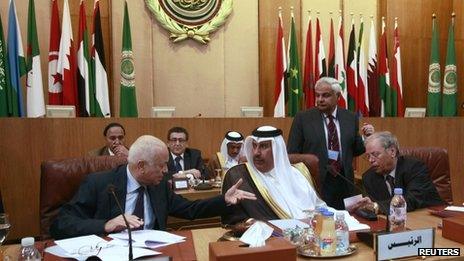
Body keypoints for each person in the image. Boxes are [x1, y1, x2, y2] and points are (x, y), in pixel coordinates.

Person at [50, 135, 256, 239]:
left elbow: (190, 210)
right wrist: (105, 225)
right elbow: (60, 224)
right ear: (141, 166)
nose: (166, 170)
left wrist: (224, 200)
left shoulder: (158, 186)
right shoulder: (100, 184)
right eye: (161, 165)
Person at [287, 77, 374, 210]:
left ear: (337, 96)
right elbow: (292, 153)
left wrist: (367, 138)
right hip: (315, 181)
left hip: (343, 181)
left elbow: (355, 149)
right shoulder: (303, 118)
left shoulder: (350, 117)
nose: (320, 99)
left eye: (325, 95)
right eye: (317, 95)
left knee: (345, 221)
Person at [221, 126, 326, 225]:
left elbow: (319, 208)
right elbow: (234, 219)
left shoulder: (297, 174)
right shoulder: (240, 176)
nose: (256, 153)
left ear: (277, 150)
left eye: (263, 146)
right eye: (254, 146)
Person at [357, 131, 444, 214]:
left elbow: (412, 200)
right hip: (395, 222)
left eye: (375, 154)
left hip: (429, 218)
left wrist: (377, 206)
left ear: (392, 152)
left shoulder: (414, 167)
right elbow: (375, 206)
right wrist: (368, 205)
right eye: (368, 156)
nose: (370, 160)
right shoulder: (369, 177)